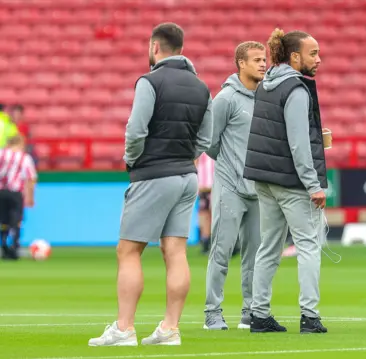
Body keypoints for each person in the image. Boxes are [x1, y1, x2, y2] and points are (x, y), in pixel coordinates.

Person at [89, 22, 213, 347]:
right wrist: (186, 157)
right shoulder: (202, 87)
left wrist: (133, 159)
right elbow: (208, 138)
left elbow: (136, 129)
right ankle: (170, 329)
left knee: (129, 250)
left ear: (155, 47)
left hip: (154, 174)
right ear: (181, 48)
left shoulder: (150, 81)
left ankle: (124, 328)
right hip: (187, 176)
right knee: (175, 251)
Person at [243, 28, 328, 334]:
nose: (318, 59)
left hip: (264, 177)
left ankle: (259, 314)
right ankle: (309, 315)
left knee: (268, 247)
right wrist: (313, 184)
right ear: (295, 56)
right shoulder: (296, 89)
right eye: (313, 53)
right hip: (291, 181)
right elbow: (298, 143)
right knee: (308, 246)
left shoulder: (267, 83)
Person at [203, 41, 267, 331]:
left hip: (259, 189)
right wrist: (231, 165)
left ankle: (250, 312)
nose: (263, 64)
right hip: (229, 187)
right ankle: (212, 312)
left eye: (264, 59)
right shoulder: (226, 99)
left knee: (256, 255)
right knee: (221, 251)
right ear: (241, 63)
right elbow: (210, 143)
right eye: (256, 59)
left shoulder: (267, 98)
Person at [0, 135, 36, 260]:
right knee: (16, 221)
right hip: (15, 193)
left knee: (3, 220)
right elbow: (31, 178)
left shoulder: (1, 154)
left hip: (1, 192)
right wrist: (30, 196)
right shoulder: (24, 157)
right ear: (20, 144)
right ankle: (14, 247)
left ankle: (4, 246)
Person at [196, 153, 215, 254]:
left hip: (216, 185)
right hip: (203, 187)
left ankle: (215, 242)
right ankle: (206, 242)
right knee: (204, 215)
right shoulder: (200, 149)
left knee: (215, 214)